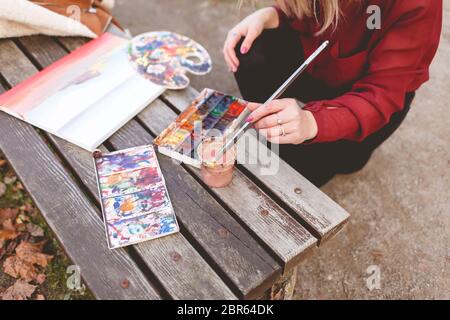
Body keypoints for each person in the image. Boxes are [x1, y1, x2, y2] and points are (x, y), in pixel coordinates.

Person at [223, 0, 442, 186]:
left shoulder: (416, 5)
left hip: (371, 100)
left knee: (312, 168)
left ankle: (305, 153)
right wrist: (271, 15)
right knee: (250, 49)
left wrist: (312, 122)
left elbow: (381, 95)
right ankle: (280, 135)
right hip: (322, 62)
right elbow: (307, 14)